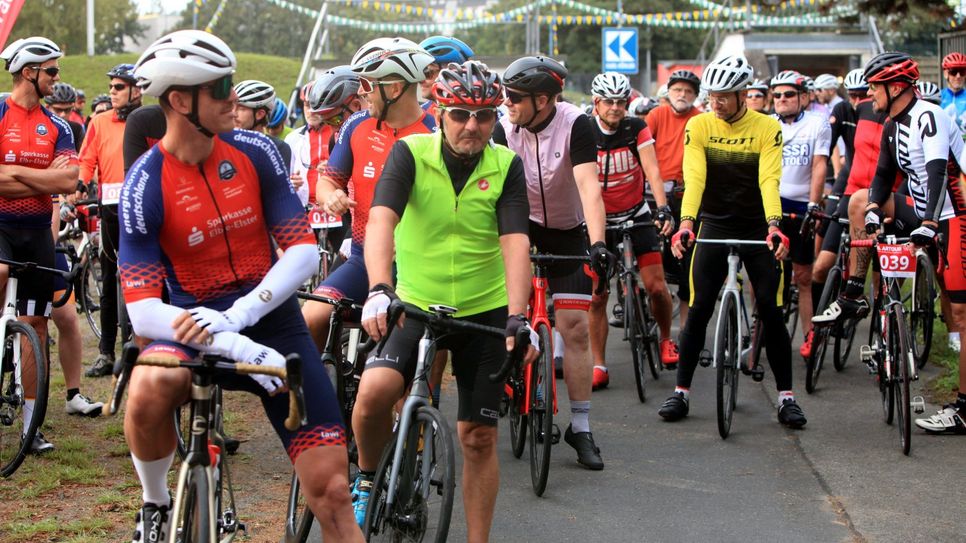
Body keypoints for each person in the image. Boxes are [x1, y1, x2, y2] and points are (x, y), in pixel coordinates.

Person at [119, 30, 363, 542]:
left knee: (334, 494)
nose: (235, 96)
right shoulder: (145, 182)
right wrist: (227, 339)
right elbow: (142, 311)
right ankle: (156, 503)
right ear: (180, 100)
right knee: (145, 387)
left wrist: (242, 318)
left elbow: (300, 252)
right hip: (192, 327)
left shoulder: (256, 150)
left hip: (272, 323)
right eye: (220, 87)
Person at [362, 60, 535, 543]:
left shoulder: (505, 165)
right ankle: (367, 478)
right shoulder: (411, 154)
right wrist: (379, 288)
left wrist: (519, 317)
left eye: (483, 115)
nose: (472, 126)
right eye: (460, 114)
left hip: (485, 311)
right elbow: (380, 221)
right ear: (439, 111)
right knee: (373, 397)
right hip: (416, 304)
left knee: (478, 438)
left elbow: (515, 243)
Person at [311, 37, 437, 526]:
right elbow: (328, 179)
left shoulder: (432, 131)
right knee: (312, 315)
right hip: (364, 256)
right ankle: (326, 414)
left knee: (411, 377)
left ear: (395, 86)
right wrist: (331, 196)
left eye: (368, 85)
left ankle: (408, 446)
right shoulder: (358, 127)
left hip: (414, 267)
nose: (360, 93)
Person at [659, 55, 807, 429]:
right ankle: (681, 393)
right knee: (698, 308)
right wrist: (686, 223)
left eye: (724, 96)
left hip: (758, 225)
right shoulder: (700, 124)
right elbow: (695, 178)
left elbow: (769, 180)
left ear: (743, 94)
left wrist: (774, 225)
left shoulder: (766, 126)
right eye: (712, 95)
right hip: (714, 224)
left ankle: (787, 398)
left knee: (772, 312)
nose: (716, 103)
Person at [828, 52, 966, 435]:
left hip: (955, 214)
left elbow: (939, 174)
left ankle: (964, 409)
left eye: (874, 86)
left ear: (896, 86)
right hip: (924, 210)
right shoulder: (892, 125)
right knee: (858, 202)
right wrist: (874, 207)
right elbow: (884, 174)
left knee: (961, 316)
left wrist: (927, 224)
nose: (870, 93)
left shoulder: (929, 116)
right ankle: (855, 293)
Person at [491, 55, 612, 470]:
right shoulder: (504, 127)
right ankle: (511, 376)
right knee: (509, 314)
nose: (507, 104)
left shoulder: (575, 122)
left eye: (515, 98)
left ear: (543, 99)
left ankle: (581, 428)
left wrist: (597, 243)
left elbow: (588, 187)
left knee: (575, 329)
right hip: (519, 225)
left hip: (566, 229)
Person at [0, 36, 80, 452]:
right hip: (0, 225)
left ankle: (31, 428)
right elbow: (51, 177)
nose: (56, 78)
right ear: (29, 71)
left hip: (36, 232)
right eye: (51, 71)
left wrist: (12, 172)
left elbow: (68, 181)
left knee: (37, 326)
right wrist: (40, 174)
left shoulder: (60, 125)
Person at [586, 71, 677, 391]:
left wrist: (662, 207)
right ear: (596, 103)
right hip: (598, 221)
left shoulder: (635, 127)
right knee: (598, 296)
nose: (615, 107)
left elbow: (652, 169)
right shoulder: (583, 130)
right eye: (608, 102)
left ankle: (666, 338)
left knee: (655, 285)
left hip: (636, 214)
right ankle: (599, 363)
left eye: (620, 102)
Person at [79, 63, 143, 378]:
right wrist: (80, 183)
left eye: (119, 87)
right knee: (107, 281)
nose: (112, 92)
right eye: (112, 87)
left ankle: (141, 348)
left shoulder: (149, 120)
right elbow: (87, 158)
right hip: (109, 207)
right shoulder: (100, 121)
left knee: (144, 278)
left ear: (137, 89)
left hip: (143, 207)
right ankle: (106, 352)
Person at [768, 70, 830, 360]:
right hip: (773, 205)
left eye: (789, 94)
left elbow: (819, 166)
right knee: (766, 273)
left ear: (803, 97)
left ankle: (809, 336)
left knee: (803, 277)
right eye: (777, 95)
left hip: (802, 204)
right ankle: (762, 333)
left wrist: (814, 204)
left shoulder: (817, 124)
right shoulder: (766, 124)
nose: (782, 99)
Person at [645, 69, 703, 327]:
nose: (682, 95)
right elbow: (642, 150)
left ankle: (685, 327)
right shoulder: (656, 115)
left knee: (687, 263)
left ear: (695, 96)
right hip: (657, 193)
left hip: (688, 194)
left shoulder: (700, 119)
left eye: (688, 91)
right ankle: (646, 305)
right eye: (678, 90)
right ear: (669, 92)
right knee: (652, 256)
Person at [232, 79, 291, 165]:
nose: (233, 113)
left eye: (241, 108)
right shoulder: (222, 141)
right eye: (232, 106)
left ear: (260, 114)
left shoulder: (277, 148)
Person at [418, 35, 473, 117]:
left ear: (451, 72)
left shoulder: (483, 114)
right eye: (419, 73)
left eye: (427, 73)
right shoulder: (418, 115)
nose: (421, 79)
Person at [45, 82, 85, 148]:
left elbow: (82, 156)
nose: (63, 114)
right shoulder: (38, 128)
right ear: (47, 107)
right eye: (58, 110)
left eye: (67, 110)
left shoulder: (76, 129)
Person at [940, 51, 966, 132]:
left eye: (962, 71)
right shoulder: (938, 96)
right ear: (945, 74)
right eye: (953, 71)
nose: (958, 76)